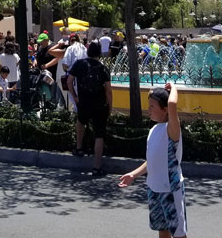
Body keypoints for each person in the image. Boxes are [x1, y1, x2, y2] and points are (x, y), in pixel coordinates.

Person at [119, 83, 186, 238]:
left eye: (152, 106)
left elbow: (172, 104)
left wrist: (174, 87)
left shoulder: (172, 128)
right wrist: (133, 174)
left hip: (170, 189)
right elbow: (153, 161)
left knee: (178, 233)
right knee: (162, 230)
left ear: (165, 110)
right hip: (154, 188)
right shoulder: (154, 130)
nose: (148, 110)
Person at [68, 41, 112, 175]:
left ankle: (79, 147)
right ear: (99, 54)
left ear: (87, 52)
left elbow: (69, 81)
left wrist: (74, 96)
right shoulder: (103, 68)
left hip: (83, 102)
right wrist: (110, 106)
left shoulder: (79, 64)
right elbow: (108, 91)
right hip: (99, 105)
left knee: (80, 122)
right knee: (99, 135)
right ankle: (97, 167)